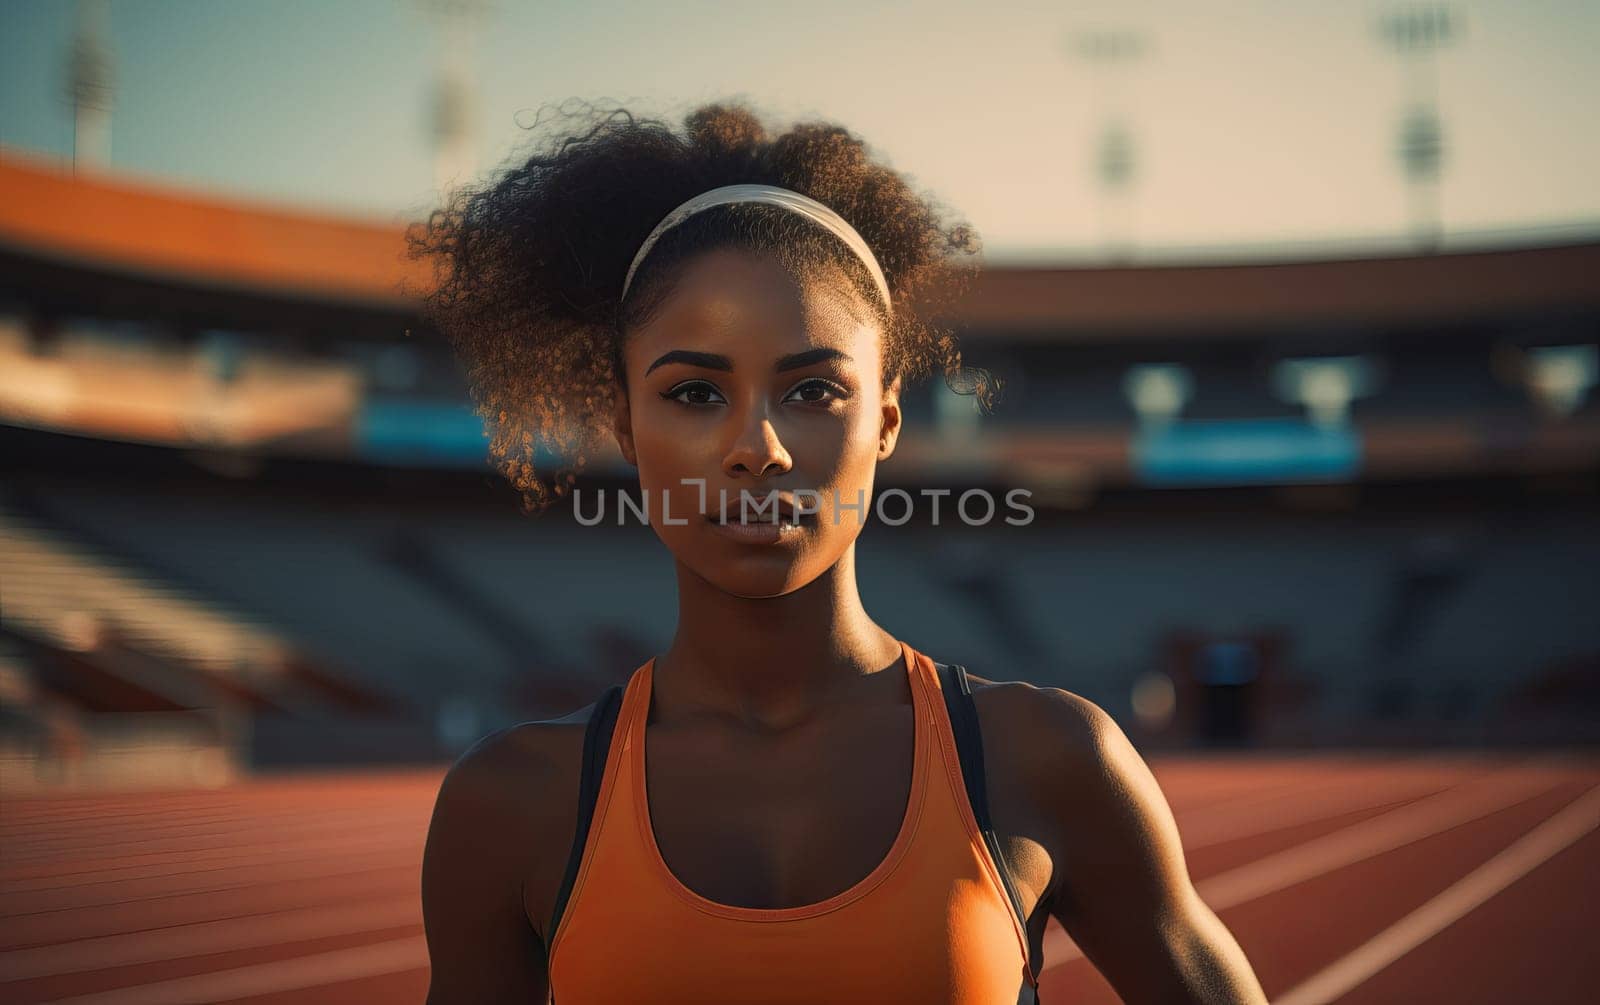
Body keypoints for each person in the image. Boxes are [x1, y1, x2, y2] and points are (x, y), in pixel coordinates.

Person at [412, 100, 1266, 1004]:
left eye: (814, 389)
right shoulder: (507, 807)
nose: (760, 447)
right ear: (624, 423)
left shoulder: (1052, 759)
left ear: (888, 418)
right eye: (696, 393)